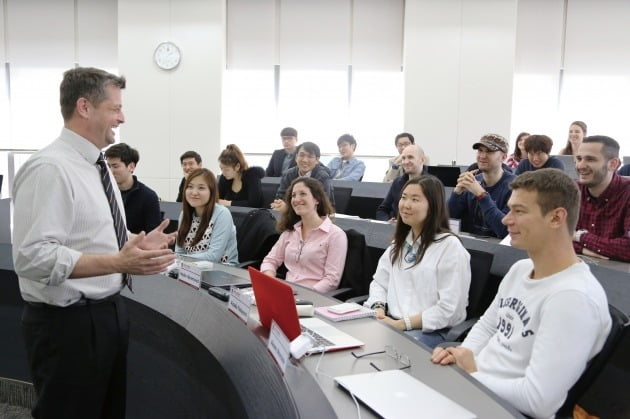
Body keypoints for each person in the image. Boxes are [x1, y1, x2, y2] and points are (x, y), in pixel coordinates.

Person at [12, 67, 176, 418]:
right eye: (114, 108)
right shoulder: (50, 169)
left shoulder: (96, 166)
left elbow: (96, 233)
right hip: (67, 326)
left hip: (106, 314)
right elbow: (33, 257)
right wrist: (118, 263)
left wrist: (137, 242)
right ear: (84, 107)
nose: (122, 117)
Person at [432, 169, 611, 419]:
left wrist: (471, 373)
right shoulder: (521, 269)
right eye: (509, 209)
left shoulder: (573, 298)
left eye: (519, 211)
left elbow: (538, 401)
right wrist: (463, 355)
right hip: (474, 390)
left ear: (557, 218)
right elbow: (487, 326)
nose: (506, 220)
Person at [365, 176, 471, 348]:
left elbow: (450, 309)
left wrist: (401, 324)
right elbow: (379, 283)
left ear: (433, 206)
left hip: (428, 331)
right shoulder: (399, 244)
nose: (406, 205)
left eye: (415, 199)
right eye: (404, 197)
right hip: (391, 322)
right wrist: (378, 309)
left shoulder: (449, 247)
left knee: (385, 352)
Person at [261, 177, 347, 293]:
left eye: (303, 194)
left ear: (317, 199)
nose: (296, 199)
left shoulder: (336, 235)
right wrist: (270, 280)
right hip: (285, 293)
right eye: (294, 195)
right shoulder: (290, 232)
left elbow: (331, 280)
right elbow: (270, 261)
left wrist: (304, 295)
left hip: (313, 299)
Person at [573, 136, 630, 262]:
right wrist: (582, 250)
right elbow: (550, 236)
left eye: (590, 159)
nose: (580, 165)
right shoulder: (571, 190)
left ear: (613, 164)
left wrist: (579, 236)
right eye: (579, 158)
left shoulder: (627, 193)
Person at [448, 134, 516, 238]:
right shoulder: (471, 181)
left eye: (489, 151)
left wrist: (481, 195)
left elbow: (505, 231)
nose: (482, 156)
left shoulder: (515, 187)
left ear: (504, 157)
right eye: (480, 150)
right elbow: (445, 220)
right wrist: (456, 193)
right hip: (471, 246)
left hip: (499, 250)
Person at [176, 168, 238, 264]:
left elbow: (213, 256)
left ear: (211, 191)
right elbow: (179, 251)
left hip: (222, 270)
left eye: (201, 188)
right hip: (190, 269)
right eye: (190, 186)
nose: (194, 192)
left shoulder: (222, 214)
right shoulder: (184, 214)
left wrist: (180, 259)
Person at [105, 143, 162, 234]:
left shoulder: (148, 196)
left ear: (131, 166)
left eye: (115, 166)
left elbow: (153, 235)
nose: (110, 171)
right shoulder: (104, 192)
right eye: (108, 166)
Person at [270, 141, 335, 212]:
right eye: (301, 155)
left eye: (310, 156)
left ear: (317, 160)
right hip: (291, 215)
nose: (305, 160)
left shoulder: (322, 177)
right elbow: (280, 197)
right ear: (296, 158)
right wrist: (279, 204)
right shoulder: (288, 174)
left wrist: (288, 208)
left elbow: (322, 205)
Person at [375, 144, 426, 221]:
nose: (405, 162)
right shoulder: (397, 182)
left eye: (410, 157)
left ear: (422, 160)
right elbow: (382, 210)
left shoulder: (433, 184)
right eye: (403, 158)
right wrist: (387, 222)